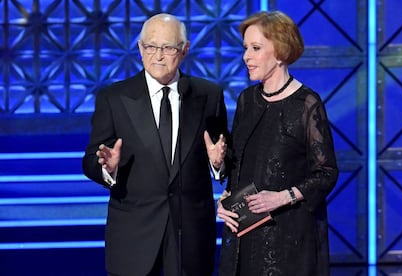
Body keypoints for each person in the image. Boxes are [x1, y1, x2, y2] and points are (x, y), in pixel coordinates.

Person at [82, 13, 228, 276]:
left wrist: (218, 164)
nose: (157, 55)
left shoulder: (208, 95)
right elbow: (91, 159)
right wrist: (108, 168)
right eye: (150, 47)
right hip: (133, 237)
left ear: (184, 50)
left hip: (190, 237)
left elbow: (223, 153)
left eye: (168, 48)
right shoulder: (114, 98)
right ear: (140, 48)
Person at [217, 11, 339, 276]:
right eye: (245, 48)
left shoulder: (307, 104)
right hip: (243, 240)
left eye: (256, 48)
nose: (246, 56)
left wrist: (282, 197)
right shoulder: (246, 100)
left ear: (281, 51)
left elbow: (326, 173)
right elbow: (237, 170)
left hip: (288, 243)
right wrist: (222, 186)